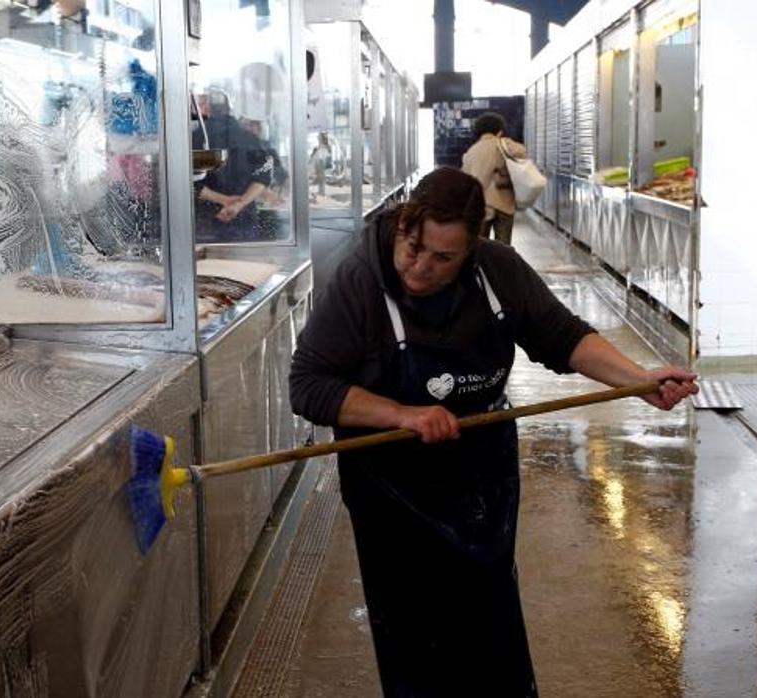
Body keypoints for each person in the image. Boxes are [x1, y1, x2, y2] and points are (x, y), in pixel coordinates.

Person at [288, 168, 697, 697]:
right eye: (414, 248)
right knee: (413, 622)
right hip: (391, 480)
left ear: (472, 250)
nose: (419, 268)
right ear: (404, 226)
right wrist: (403, 414)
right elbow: (308, 385)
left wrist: (636, 380)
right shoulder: (359, 281)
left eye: (443, 259)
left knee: (489, 610)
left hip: (480, 470)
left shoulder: (498, 271)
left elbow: (562, 335)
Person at [192, 89, 281, 242]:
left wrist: (224, 200)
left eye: (198, 104)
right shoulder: (250, 138)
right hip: (245, 220)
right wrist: (241, 203)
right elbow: (264, 175)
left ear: (205, 108)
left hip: (206, 224)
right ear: (229, 107)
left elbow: (191, 181)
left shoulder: (196, 138)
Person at [461, 111, 526, 245]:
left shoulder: (471, 152)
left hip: (480, 206)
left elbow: (465, 179)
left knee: (478, 246)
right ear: (499, 130)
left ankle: (480, 266)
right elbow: (523, 153)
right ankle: (500, 266)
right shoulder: (504, 144)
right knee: (503, 247)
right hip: (504, 204)